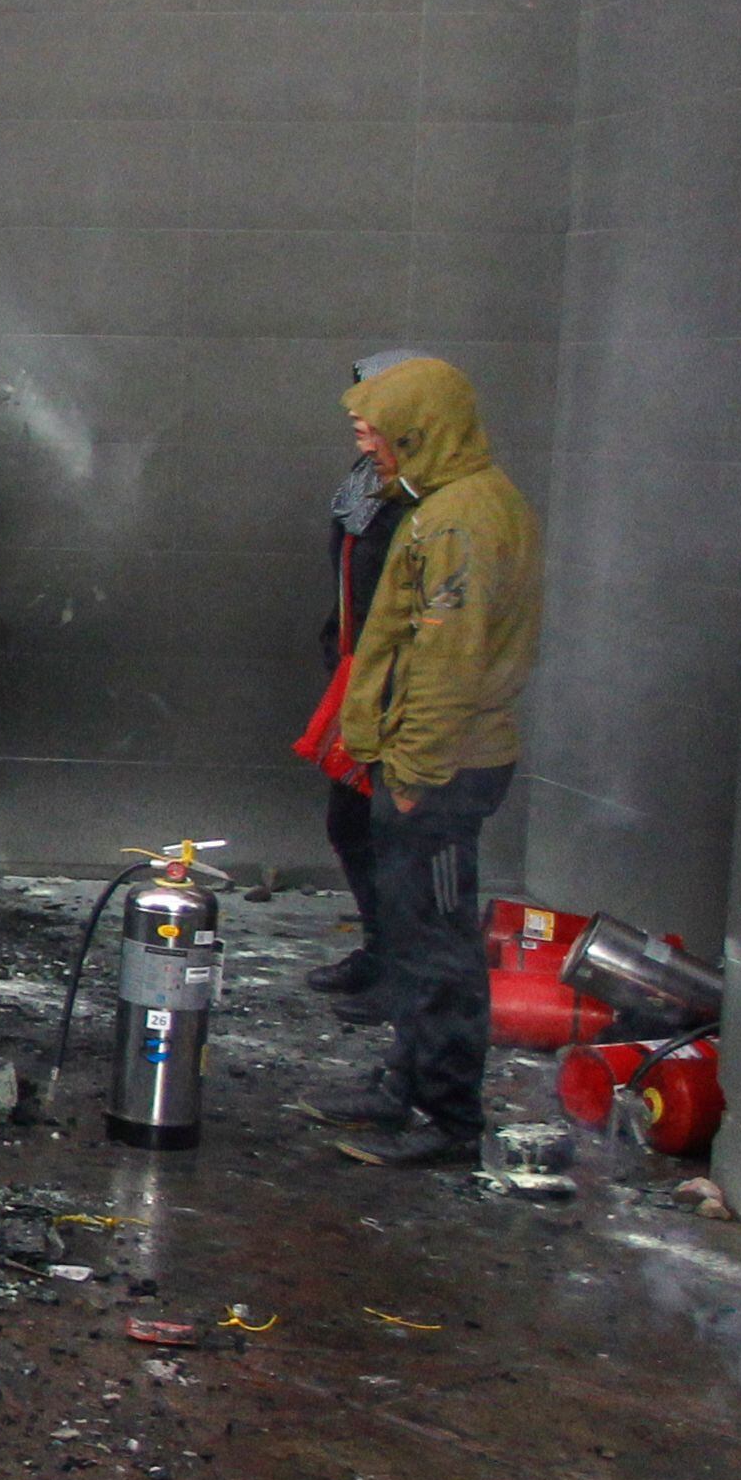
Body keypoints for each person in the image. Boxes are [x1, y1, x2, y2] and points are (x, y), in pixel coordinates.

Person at [309, 354, 544, 1168]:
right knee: (416, 937)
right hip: (429, 759)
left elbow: (449, 662)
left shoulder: (457, 523)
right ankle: (405, 1086)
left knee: (439, 944)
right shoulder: (449, 505)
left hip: (441, 769)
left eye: (378, 434)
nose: (369, 449)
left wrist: (411, 771)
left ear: (417, 431)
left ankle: (447, 1119)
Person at [292, 348, 422, 1016]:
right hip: (359, 667)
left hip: (399, 682)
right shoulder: (368, 481)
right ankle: (383, 950)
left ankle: (405, 969)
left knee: (392, 832)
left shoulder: (430, 499)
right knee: (352, 823)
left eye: (372, 409)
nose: (358, 422)